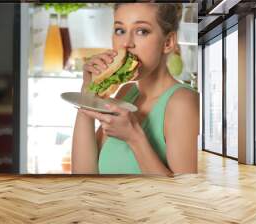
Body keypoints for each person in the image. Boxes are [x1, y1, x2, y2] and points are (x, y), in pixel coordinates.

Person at [71, 3, 199, 176]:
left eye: (141, 31)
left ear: (168, 42)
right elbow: (84, 175)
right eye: (120, 30)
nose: (126, 43)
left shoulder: (183, 102)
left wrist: (134, 138)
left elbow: (185, 196)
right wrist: (88, 93)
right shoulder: (128, 92)